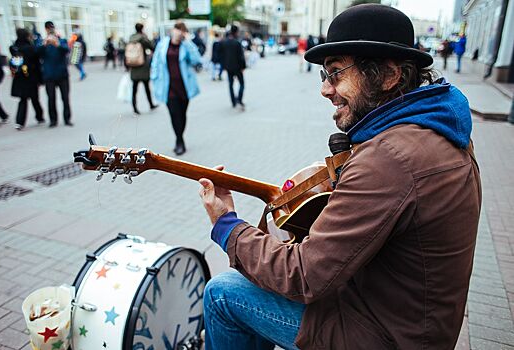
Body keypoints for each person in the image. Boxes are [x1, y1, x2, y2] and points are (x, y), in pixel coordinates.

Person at [198, 4, 481, 350]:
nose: (325, 90)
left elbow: (302, 276)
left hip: (383, 335)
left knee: (223, 294)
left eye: (336, 74)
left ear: (389, 75)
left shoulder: (389, 159)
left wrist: (227, 226)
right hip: (412, 321)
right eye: (324, 76)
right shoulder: (441, 127)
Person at [151, 21, 202, 156]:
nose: (178, 32)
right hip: (168, 87)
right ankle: (179, 141)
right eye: (177, 29)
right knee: (174, 114)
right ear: (172, 30)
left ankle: (179, 138)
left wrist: (187, 42)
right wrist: (154, 78)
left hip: (184, 86)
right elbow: (155, 61)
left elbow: (197, 60)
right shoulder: (163, 44)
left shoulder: (186, 46)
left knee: (182, 115)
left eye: (181, 30)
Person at [37, 21, 72, 127]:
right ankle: (53, 120)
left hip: (62, 74)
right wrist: (44, 44)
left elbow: (67, 50)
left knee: (65, 98)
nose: (50, 30)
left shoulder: (61, 41)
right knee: (51, 98)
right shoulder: (42, 42)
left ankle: (67, 119)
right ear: (45, 29)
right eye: (48, 28)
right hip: (49, 75)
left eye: (51, 28)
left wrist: (57, 44)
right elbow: (37, 54)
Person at [9, 28, 44, 130]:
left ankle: (20, 122)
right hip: (31, 77)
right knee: (34, 98)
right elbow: (37, 65)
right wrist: (40, 79)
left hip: (20, 77)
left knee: (23, 99)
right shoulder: (31, 48)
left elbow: (15, 63)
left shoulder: (15, 48)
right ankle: (39, 116)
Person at [128, 23, 157, 115]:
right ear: (142, 29)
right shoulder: (142, 38)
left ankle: (134, 107)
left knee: (134, 88)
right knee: (146, 86)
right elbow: (152, 47)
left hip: (133, 64)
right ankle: (151, 104)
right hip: (142, 64)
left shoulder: (131, 38)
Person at [221, 25, 246, 110]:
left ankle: (233, 101)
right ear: (236, 32)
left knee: (231, 84)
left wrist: (223, 66)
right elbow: (241, 56)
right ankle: (239, 99)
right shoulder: (237, 43)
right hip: (238, 67)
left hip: (228, 67)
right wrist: (243, 66)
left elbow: (222, 56)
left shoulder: (225, 42)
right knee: (241, 83)